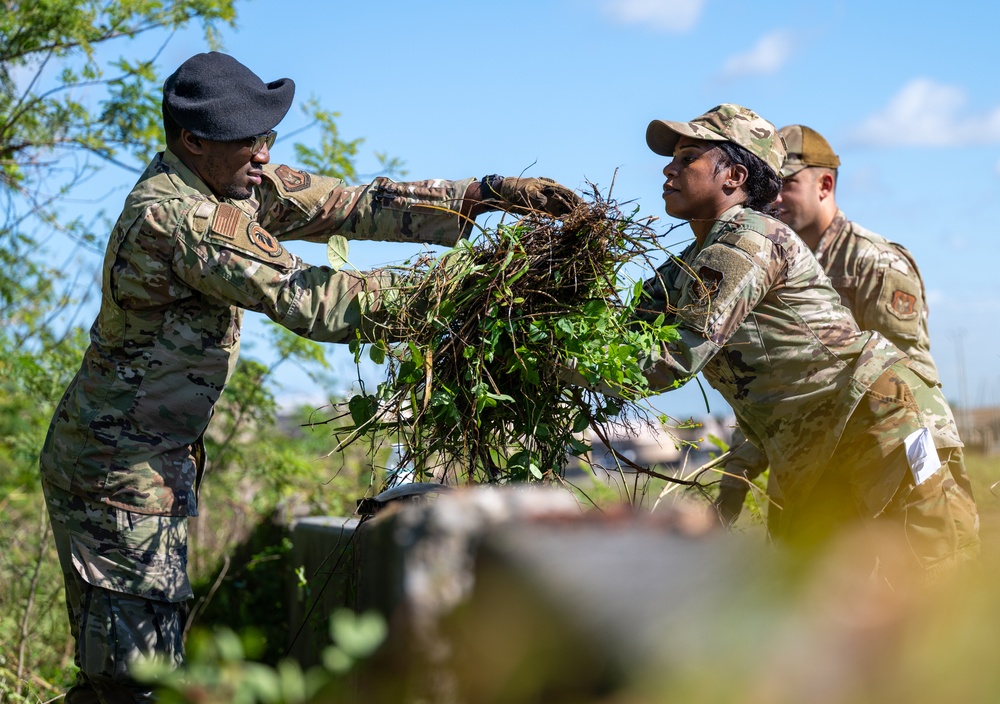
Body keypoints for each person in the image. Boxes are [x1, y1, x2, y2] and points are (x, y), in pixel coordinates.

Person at [38, 51, 580, 703]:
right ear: (194, 140)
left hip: (151, 463)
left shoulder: (231, 178)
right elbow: (307, 295)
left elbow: (351, 204)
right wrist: (460, 295)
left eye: (268, 138)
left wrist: (484, 194)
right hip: (116, 471)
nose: (265, 155)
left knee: (135, 670)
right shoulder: (181, 215)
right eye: (250, 140)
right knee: (131, 683)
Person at [636, 103, 978, 570]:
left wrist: (556, 362)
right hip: (810, 448)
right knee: (823, 605)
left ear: (733, 176)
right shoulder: (692, 262)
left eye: (687, 157)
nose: (668, 168)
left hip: (876, 427)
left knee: (935, 579)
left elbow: (665, 360)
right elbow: (621, 331)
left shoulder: (750, 240)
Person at [714, 124, 962, 530]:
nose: (771, 199)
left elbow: (910, 383)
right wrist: (735, 476)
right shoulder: (767, 265)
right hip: (812, 461)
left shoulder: (874, 263)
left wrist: (924, 485)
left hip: (889, 452)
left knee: (920, 572)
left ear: (824, 184)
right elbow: (778, 389)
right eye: (768, 185)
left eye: (787, 184)